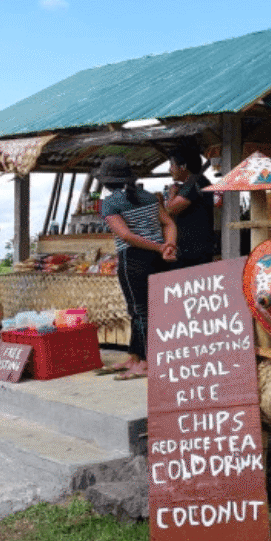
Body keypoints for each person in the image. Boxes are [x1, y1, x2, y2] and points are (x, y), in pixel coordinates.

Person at [97, 156, 177, 379]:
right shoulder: (149, 196)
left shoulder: (110, 203)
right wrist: (167, 245)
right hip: (156, 260)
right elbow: (169, 223)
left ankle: (145, 362)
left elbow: (126, 236)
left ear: (106, 182)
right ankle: (134, 357)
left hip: (133, 259)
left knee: (139, 311)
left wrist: (161, 246)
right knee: (144, 311)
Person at [163, 145, 217, 270]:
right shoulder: (197, 182)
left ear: (183, 166)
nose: (170, 169)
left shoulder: (193, 184)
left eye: (172, 165)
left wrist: (171, 194)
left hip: (194, 251)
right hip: (197, 248)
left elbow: (171, 209)